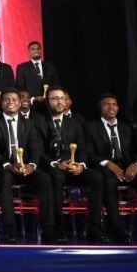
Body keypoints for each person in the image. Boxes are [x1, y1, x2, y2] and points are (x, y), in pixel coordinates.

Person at [85, 93, 137, 244]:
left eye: (114, 104)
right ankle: (117, 230)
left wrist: (136, 164)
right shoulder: (90, 127)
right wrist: (107, 163)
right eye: (107, 104)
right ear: (100, 108)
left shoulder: (126, 127)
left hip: (128, 166)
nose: (111, 107)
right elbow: (88, 153)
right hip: (105, 167)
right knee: (108, 181)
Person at [0, 88, 62, 243]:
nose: (10, 103)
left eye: (14, 100)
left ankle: (48, 228)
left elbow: (36, 148)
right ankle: (10, 229)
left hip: (27, 167)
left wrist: (32, 166)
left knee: (45, 179)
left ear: (20, 103)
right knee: (4, 180)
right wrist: (8, 166)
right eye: (7, 99)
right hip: (6, 166)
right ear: (1, 103)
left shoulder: (29, 123)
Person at [41, 86, 106, 243]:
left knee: (97, 177)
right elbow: (37, 151)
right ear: (47, 101)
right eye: (55, 98)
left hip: (73, 166)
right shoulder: (39, 121)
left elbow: (83, 149)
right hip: (53, 167)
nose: (59, 102)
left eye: (62, 98)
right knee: (56, 178)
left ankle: (94, 229)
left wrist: (81, 165)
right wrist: (57, 164)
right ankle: (58, 228)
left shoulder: (75, 123)